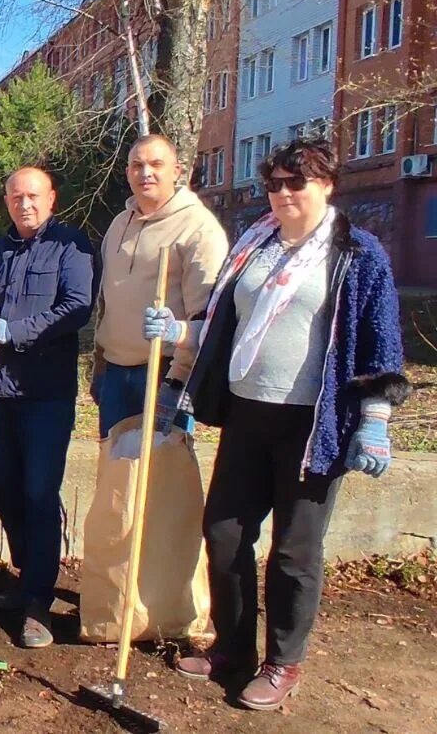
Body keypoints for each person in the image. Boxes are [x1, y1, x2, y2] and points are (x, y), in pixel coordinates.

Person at [153, 140, 410, 710]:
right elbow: (222, 324)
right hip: (247, 413)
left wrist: (375, 419)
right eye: (275, 184)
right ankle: (233, 649)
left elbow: (380, 340)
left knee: (295, 550)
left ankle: (283, 663)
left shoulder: (356, 252)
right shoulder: (254, 245)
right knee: (224, 533)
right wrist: (176, 333)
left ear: (327, 185)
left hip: (312, 424)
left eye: (298, 183)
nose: (284, 195)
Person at [0, 167, 96, 648]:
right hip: (1, 393)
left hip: (45, 393)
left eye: (34, 196)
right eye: (17, 196)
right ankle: (25, 579)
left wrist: (14, 333)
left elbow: (77, 307)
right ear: (7, 202)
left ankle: (39, 601)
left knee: (40, 495)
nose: (25, 204)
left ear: (51, 199)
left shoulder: (70, 247)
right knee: (5, 490)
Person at [92, 134, 228, 440]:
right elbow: (107, 301)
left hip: (162, 374)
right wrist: (100, 365)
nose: (145, 173)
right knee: (117, 475)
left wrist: (177, 383)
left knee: (161, 478)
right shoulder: (118, 225)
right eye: (137, 165)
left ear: (177, 171)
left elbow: (204, 317)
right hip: (115, 373)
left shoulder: (198, 227)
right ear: (127, 172)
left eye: (156, 164)